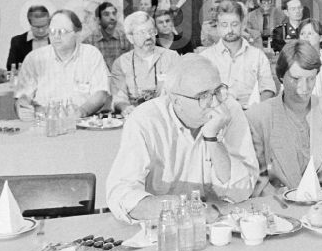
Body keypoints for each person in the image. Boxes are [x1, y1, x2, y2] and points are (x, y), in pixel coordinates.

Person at [105, 55, 259, 223]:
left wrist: (213, 139)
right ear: (176, 101)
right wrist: (184, 208)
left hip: (220, 225)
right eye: (203, 96)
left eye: (217, 91)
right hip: (164, 227)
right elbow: (121, 194)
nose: (215, 102)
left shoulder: (230, 110)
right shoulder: (145, 120)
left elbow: (242, 189)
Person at [247, 41, 322, 193]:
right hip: (278, 206)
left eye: (311, 79)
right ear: (281, 76)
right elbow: (258, 179)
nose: (304, 88)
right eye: (295, 79)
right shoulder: (257, 117)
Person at [14, 9, 111, 119]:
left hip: (82, 121)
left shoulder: (91, 55)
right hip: (45, 123)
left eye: (63, 32)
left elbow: (101, 94)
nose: (56, 36)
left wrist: (82, 111)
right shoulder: (34, 59)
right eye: (52, 31)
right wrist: (22, 107)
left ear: (77, 33)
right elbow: (22, 97)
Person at [199, 1, 276, 107]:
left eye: (234, 24)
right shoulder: (205, 58)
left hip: (251, 115)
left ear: (243, 24)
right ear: (217, 26)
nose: (229, 30)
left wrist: (256, 109)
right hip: (218, 115)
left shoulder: (258, 56)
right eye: (224, 25)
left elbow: (268, 89)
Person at [111, 12, 181, 117]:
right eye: (142, 32)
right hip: (135, 118)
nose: (148, 36)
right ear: (130, 38)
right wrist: (125, 107)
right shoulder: (121, 63)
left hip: (166, 117)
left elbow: (181, 93)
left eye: (151, 31)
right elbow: (119, 98)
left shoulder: (172, 57)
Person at [85, 2, 132, 70]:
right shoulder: (89, 42)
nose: (112, 18)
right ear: (98, 20)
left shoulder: (125, 39)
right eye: (106, 14)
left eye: (114, 13)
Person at [5, 4, 51, 72]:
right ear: (30, 23)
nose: (41, 30)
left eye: (44, 26)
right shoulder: (18, 41)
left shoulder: (57, 39)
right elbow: (11, 67)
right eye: (37, 27)